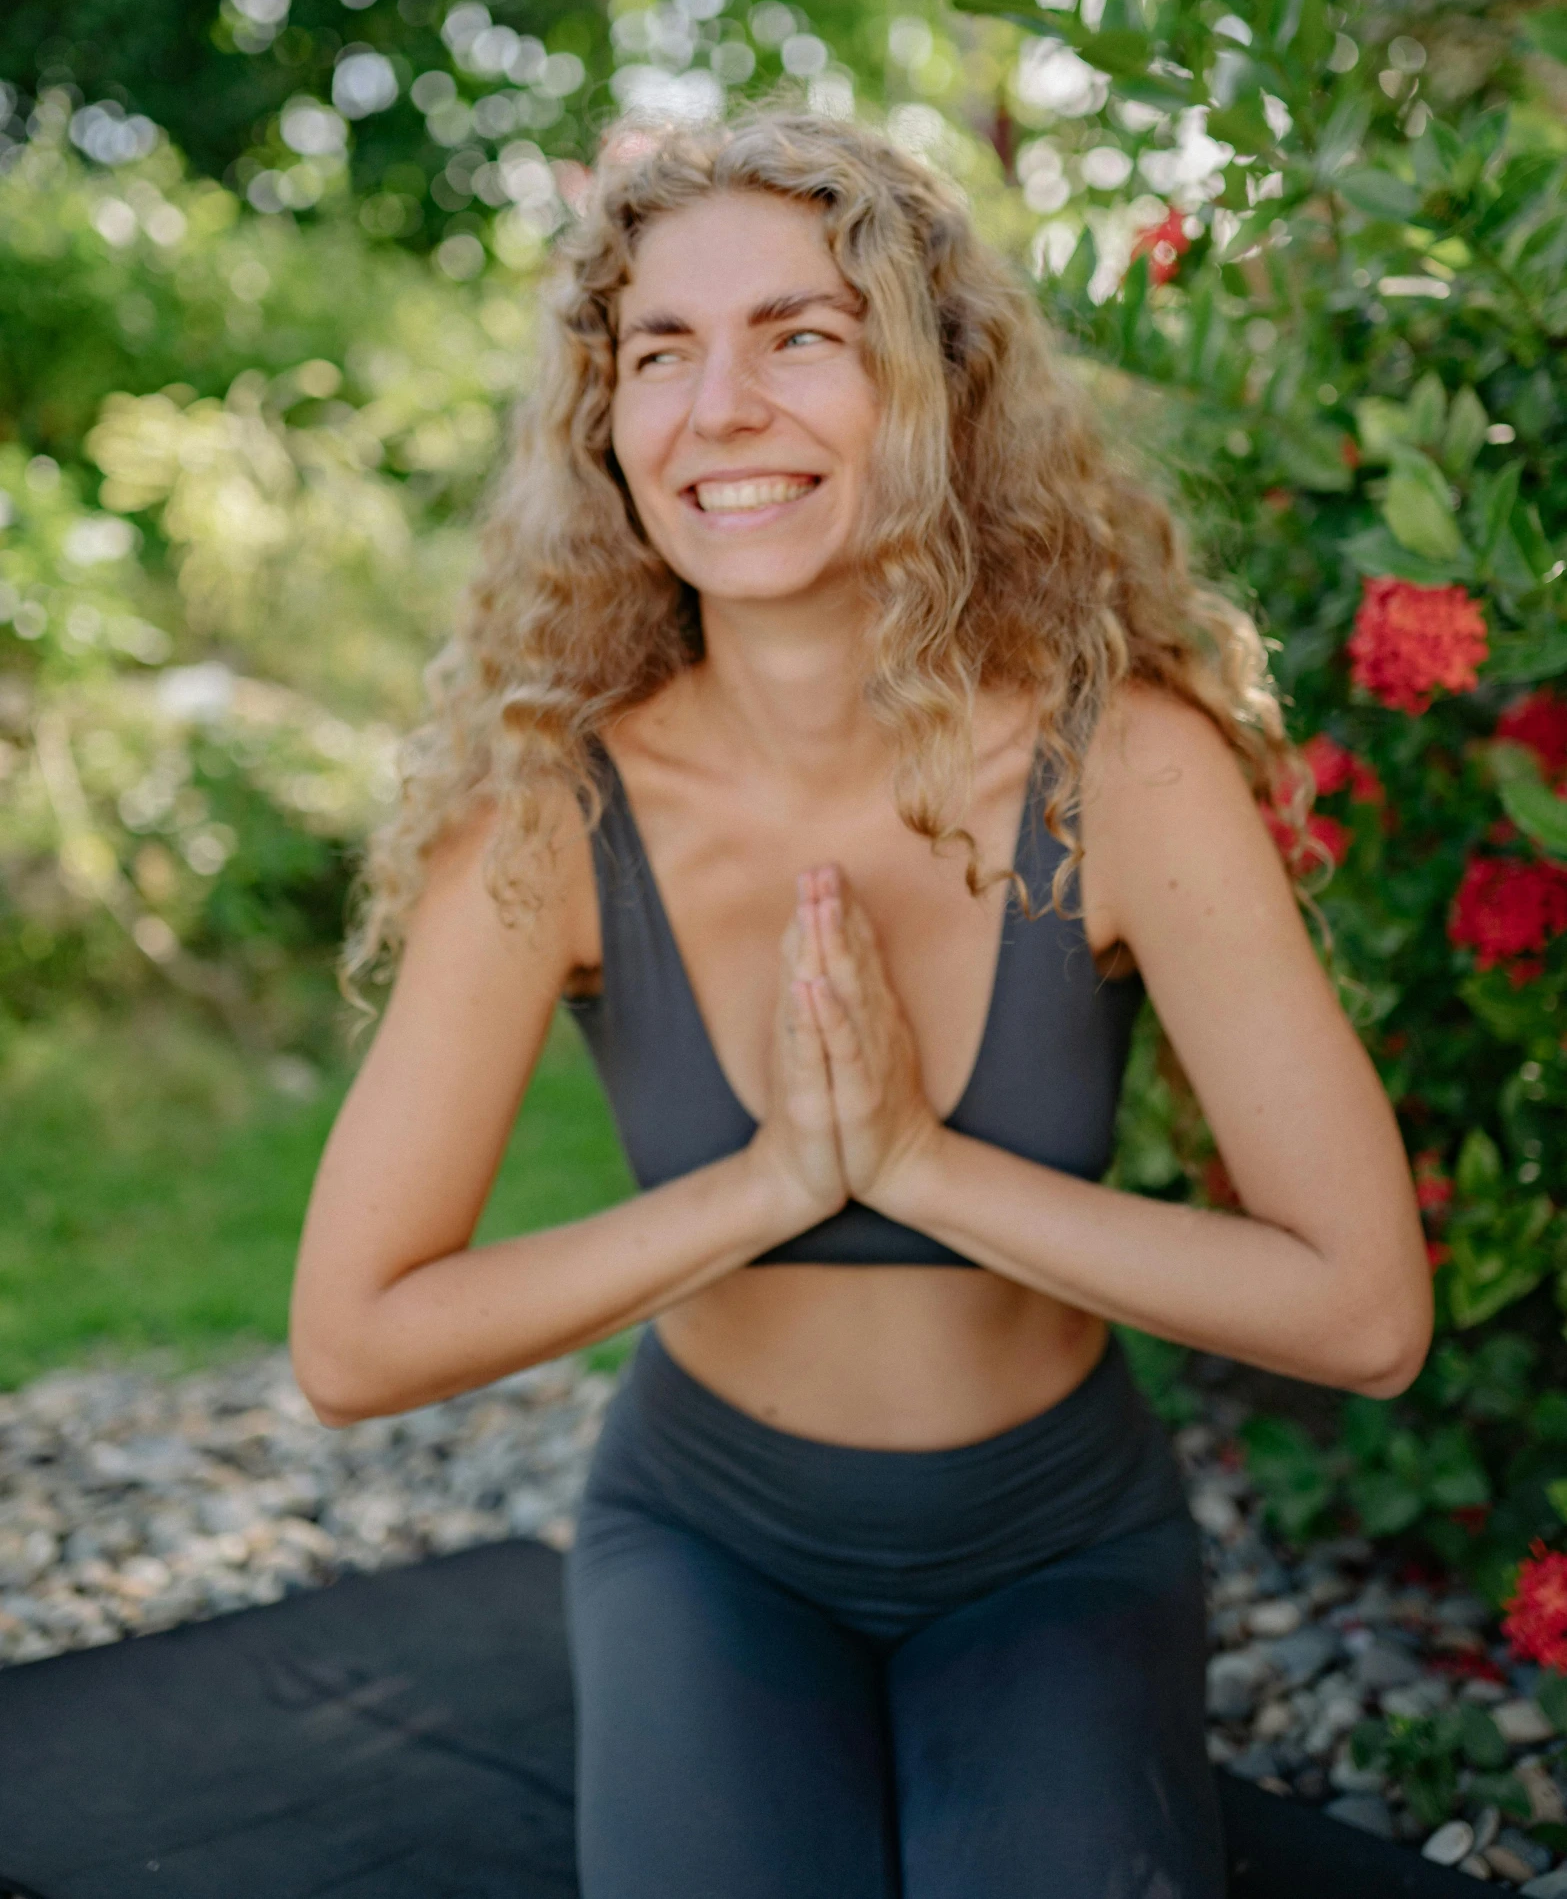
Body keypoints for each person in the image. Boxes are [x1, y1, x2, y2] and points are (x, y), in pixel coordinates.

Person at [290, 109, 1432, 1898]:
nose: (718, 408)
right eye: (659, 351)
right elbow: (353, 1339)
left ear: (940, 392)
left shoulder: (1122, 770)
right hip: (707, 1540)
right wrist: (766, 1185)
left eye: (800, 336)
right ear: (606, 421)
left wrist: (905, 1159)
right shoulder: (550, 808)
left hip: (1055, 1543)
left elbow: (1364, 1311)